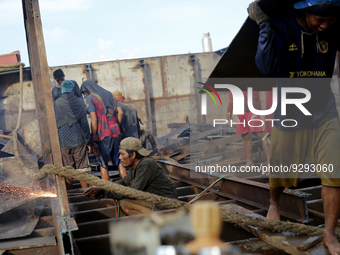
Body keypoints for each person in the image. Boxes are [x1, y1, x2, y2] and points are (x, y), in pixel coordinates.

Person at [249, 0, 340, 253]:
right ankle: (274, 204)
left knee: (334, 170)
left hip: (325, 112)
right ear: (303, 11)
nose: (324, 26)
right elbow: (266, 67)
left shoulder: (333, 29)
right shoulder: (280, 27)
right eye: (319, 20)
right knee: (281, 167)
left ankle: (329, 234)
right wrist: (264, 25)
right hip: (290, 112)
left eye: (330, 22)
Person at [83, 137, 178, 215]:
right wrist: (104, 187)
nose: (119, 157)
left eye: (122, 154)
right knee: (123, 203)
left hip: (166, 203)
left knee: (124, 202)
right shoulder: (136, 165)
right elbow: (124, 182)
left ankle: (151, 219)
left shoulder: (146, 164)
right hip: (156, 200)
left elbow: (133, 191)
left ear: (132, 155)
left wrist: (105, 192)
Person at [81, 80, 123, 181]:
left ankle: (108, 191)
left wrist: (94, 136)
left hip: (103, 134)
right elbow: (120, 112)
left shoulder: (90, 98)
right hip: (117, 132)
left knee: (103, 164)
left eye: (84, 93)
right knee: (120, 162)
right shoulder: (110, 94)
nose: (84, 96)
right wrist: (118, 126)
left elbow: (94, 118)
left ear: (86, 91)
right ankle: (129, 188)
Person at [54, 80, 92, 189]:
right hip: (78, 139)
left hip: (63, 141)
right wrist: (88, 142)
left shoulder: (55, 104)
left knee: (67, 169)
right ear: (73, 89)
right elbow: (84, 124)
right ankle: (86, 193)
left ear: (61, 90)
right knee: (82, 168)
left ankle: (70, 196)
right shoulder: (79, 102)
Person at [226, 91, 271, 170]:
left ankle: (270, 164)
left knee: (261, 135)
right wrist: (229, 109)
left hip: (253, 107)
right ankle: (249, 164)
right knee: (245, 136)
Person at [113, 90, 140, 178]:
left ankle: (127, 182)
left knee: (123, 162)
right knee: (135, 161)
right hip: (135, 138)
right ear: (123, 98)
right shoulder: (133, 108)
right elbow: (138, 126)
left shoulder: (117, 108)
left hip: (125, 140)